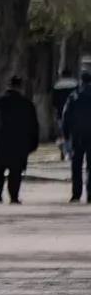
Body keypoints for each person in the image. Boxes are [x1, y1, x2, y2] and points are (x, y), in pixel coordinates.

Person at [0, 76, 39, 204]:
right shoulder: (27, 104)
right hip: (19, 145)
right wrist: (33, 145)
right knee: (16, 172)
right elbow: (34, 126)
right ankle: (14, 197)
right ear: (20, 87)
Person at [61, 71, 91, 202]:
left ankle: (76, 194)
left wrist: (66, 134)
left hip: (77, 135)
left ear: (81, 81)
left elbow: (65, 116)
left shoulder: (74, 96)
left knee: (76, 165)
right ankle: (90, 194)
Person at [53, 70, 78, 161]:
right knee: (72, 133)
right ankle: (70, 151)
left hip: (60, 114)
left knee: (63, 133)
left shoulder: (57, 85)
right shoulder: (75, 84)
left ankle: (65, 151)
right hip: (74, 114)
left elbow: (54, 102)